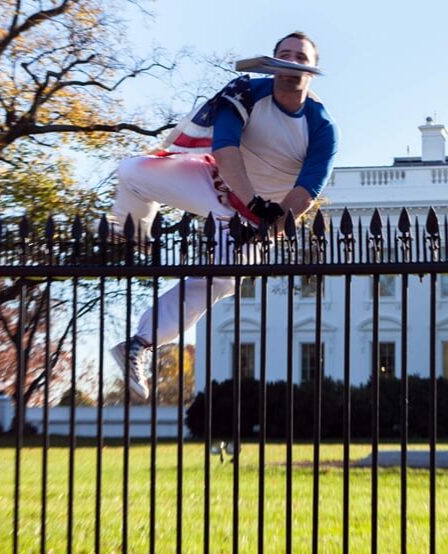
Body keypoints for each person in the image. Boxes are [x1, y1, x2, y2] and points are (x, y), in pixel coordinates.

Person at [108, 31, 338, 401]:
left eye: (300, 57)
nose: (291, 62)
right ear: (272, 59)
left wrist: (266, 227)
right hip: (216, 183)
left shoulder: (322, 127)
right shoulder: (246, 93)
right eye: (284, 54)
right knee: (133, 171)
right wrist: (251, 200)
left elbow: (305, 194)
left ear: (311, 69)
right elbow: (226, 148)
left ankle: (139, 343)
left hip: (259, 222)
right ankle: (130, 232)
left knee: (220, 280)